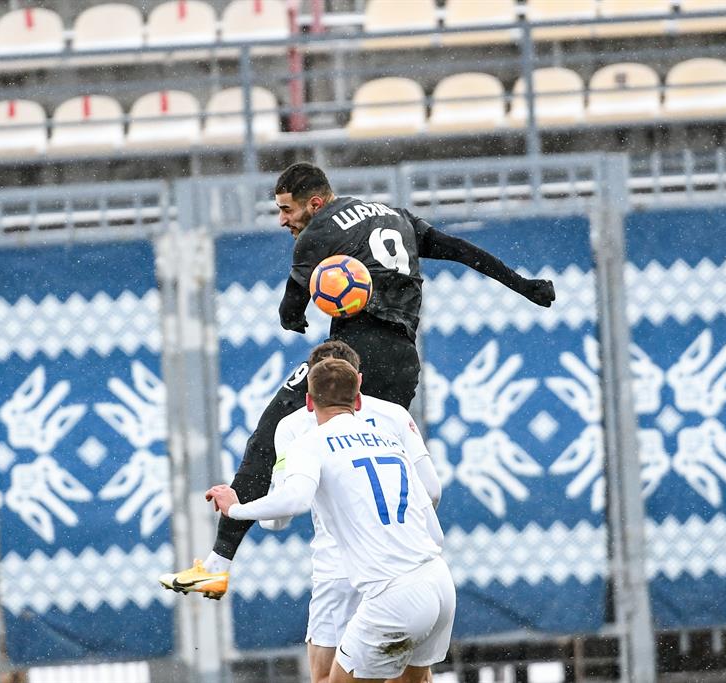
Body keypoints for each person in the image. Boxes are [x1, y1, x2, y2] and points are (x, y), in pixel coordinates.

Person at [159, 162, 554, 598]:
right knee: (374, 460)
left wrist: (296, 315)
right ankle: (410, 560)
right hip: (402, 361)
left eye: (287, 209)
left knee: (270, 433)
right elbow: (460, 249)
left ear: (315, 203)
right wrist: (524, 285)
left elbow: (290, 311)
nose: (283, 221)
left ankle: (222, 560)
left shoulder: (319, 232)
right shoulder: (397, 216)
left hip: (350, 356)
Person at [207, 358, 456, 683]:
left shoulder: (310, 443)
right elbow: (430, 512)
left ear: (309, 402)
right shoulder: (388, 438)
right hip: (438, 580)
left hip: (394, 594)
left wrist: (235, 509)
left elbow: (294, 500)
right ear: (357, 398)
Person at [267, 341, 443, 683]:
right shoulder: (393, 415)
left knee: (326, 677)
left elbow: (279, 516)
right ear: (358, 380)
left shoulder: (293, 426)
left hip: (338, 568)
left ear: (310, 388)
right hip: (402, 563)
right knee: (410, 677)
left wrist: (241, 509)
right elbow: (431, 490)